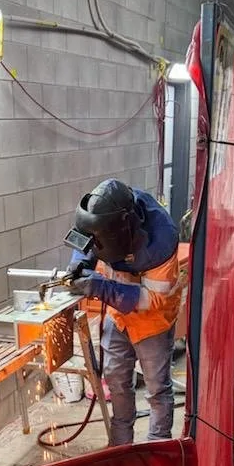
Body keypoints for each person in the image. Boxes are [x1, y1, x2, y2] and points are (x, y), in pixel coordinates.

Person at [66, 178, 182, 446]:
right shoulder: (102, 215)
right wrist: (79, 266)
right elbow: (84, 242)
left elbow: (153, 298)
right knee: (116, 382)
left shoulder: (161, 239)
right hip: (118, 315)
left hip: (153, 321)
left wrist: (102, 288)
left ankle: (156, 449)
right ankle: (120, 447)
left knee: (157, 389)